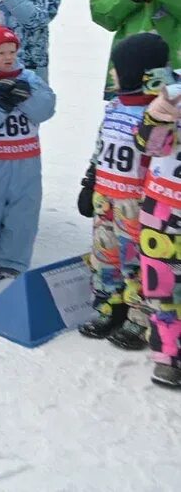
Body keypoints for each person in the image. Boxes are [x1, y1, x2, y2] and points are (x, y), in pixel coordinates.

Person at [77, 33, 170, 349]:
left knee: (136, 263)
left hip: (138, 204)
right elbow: (100, 148)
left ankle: (138, 317)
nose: (112, 75)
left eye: (116, 69)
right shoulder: (115, 106)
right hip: (107, 197)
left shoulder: (159, 115)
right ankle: (110, 306)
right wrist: (90, 182)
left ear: (134, 72)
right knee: (106, 256)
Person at [0, 24, 57, 279]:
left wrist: (26, 97)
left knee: (22, 211)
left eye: (11, 51)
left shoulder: (30, 78)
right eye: (0, 53)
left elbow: (46, 110)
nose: (8, 58)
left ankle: (13, 260)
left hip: (25, 157)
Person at [133, 76, 181, 388]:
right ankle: (167, 353)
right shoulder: (174, 95)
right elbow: (149, 146)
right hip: (163, 210)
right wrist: (160, 116)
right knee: (162, 284)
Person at [89, 0, 181, 99]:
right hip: (131, 73)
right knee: (128, 119)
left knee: (165, 117)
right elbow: (102, 15)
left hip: (175, 73)